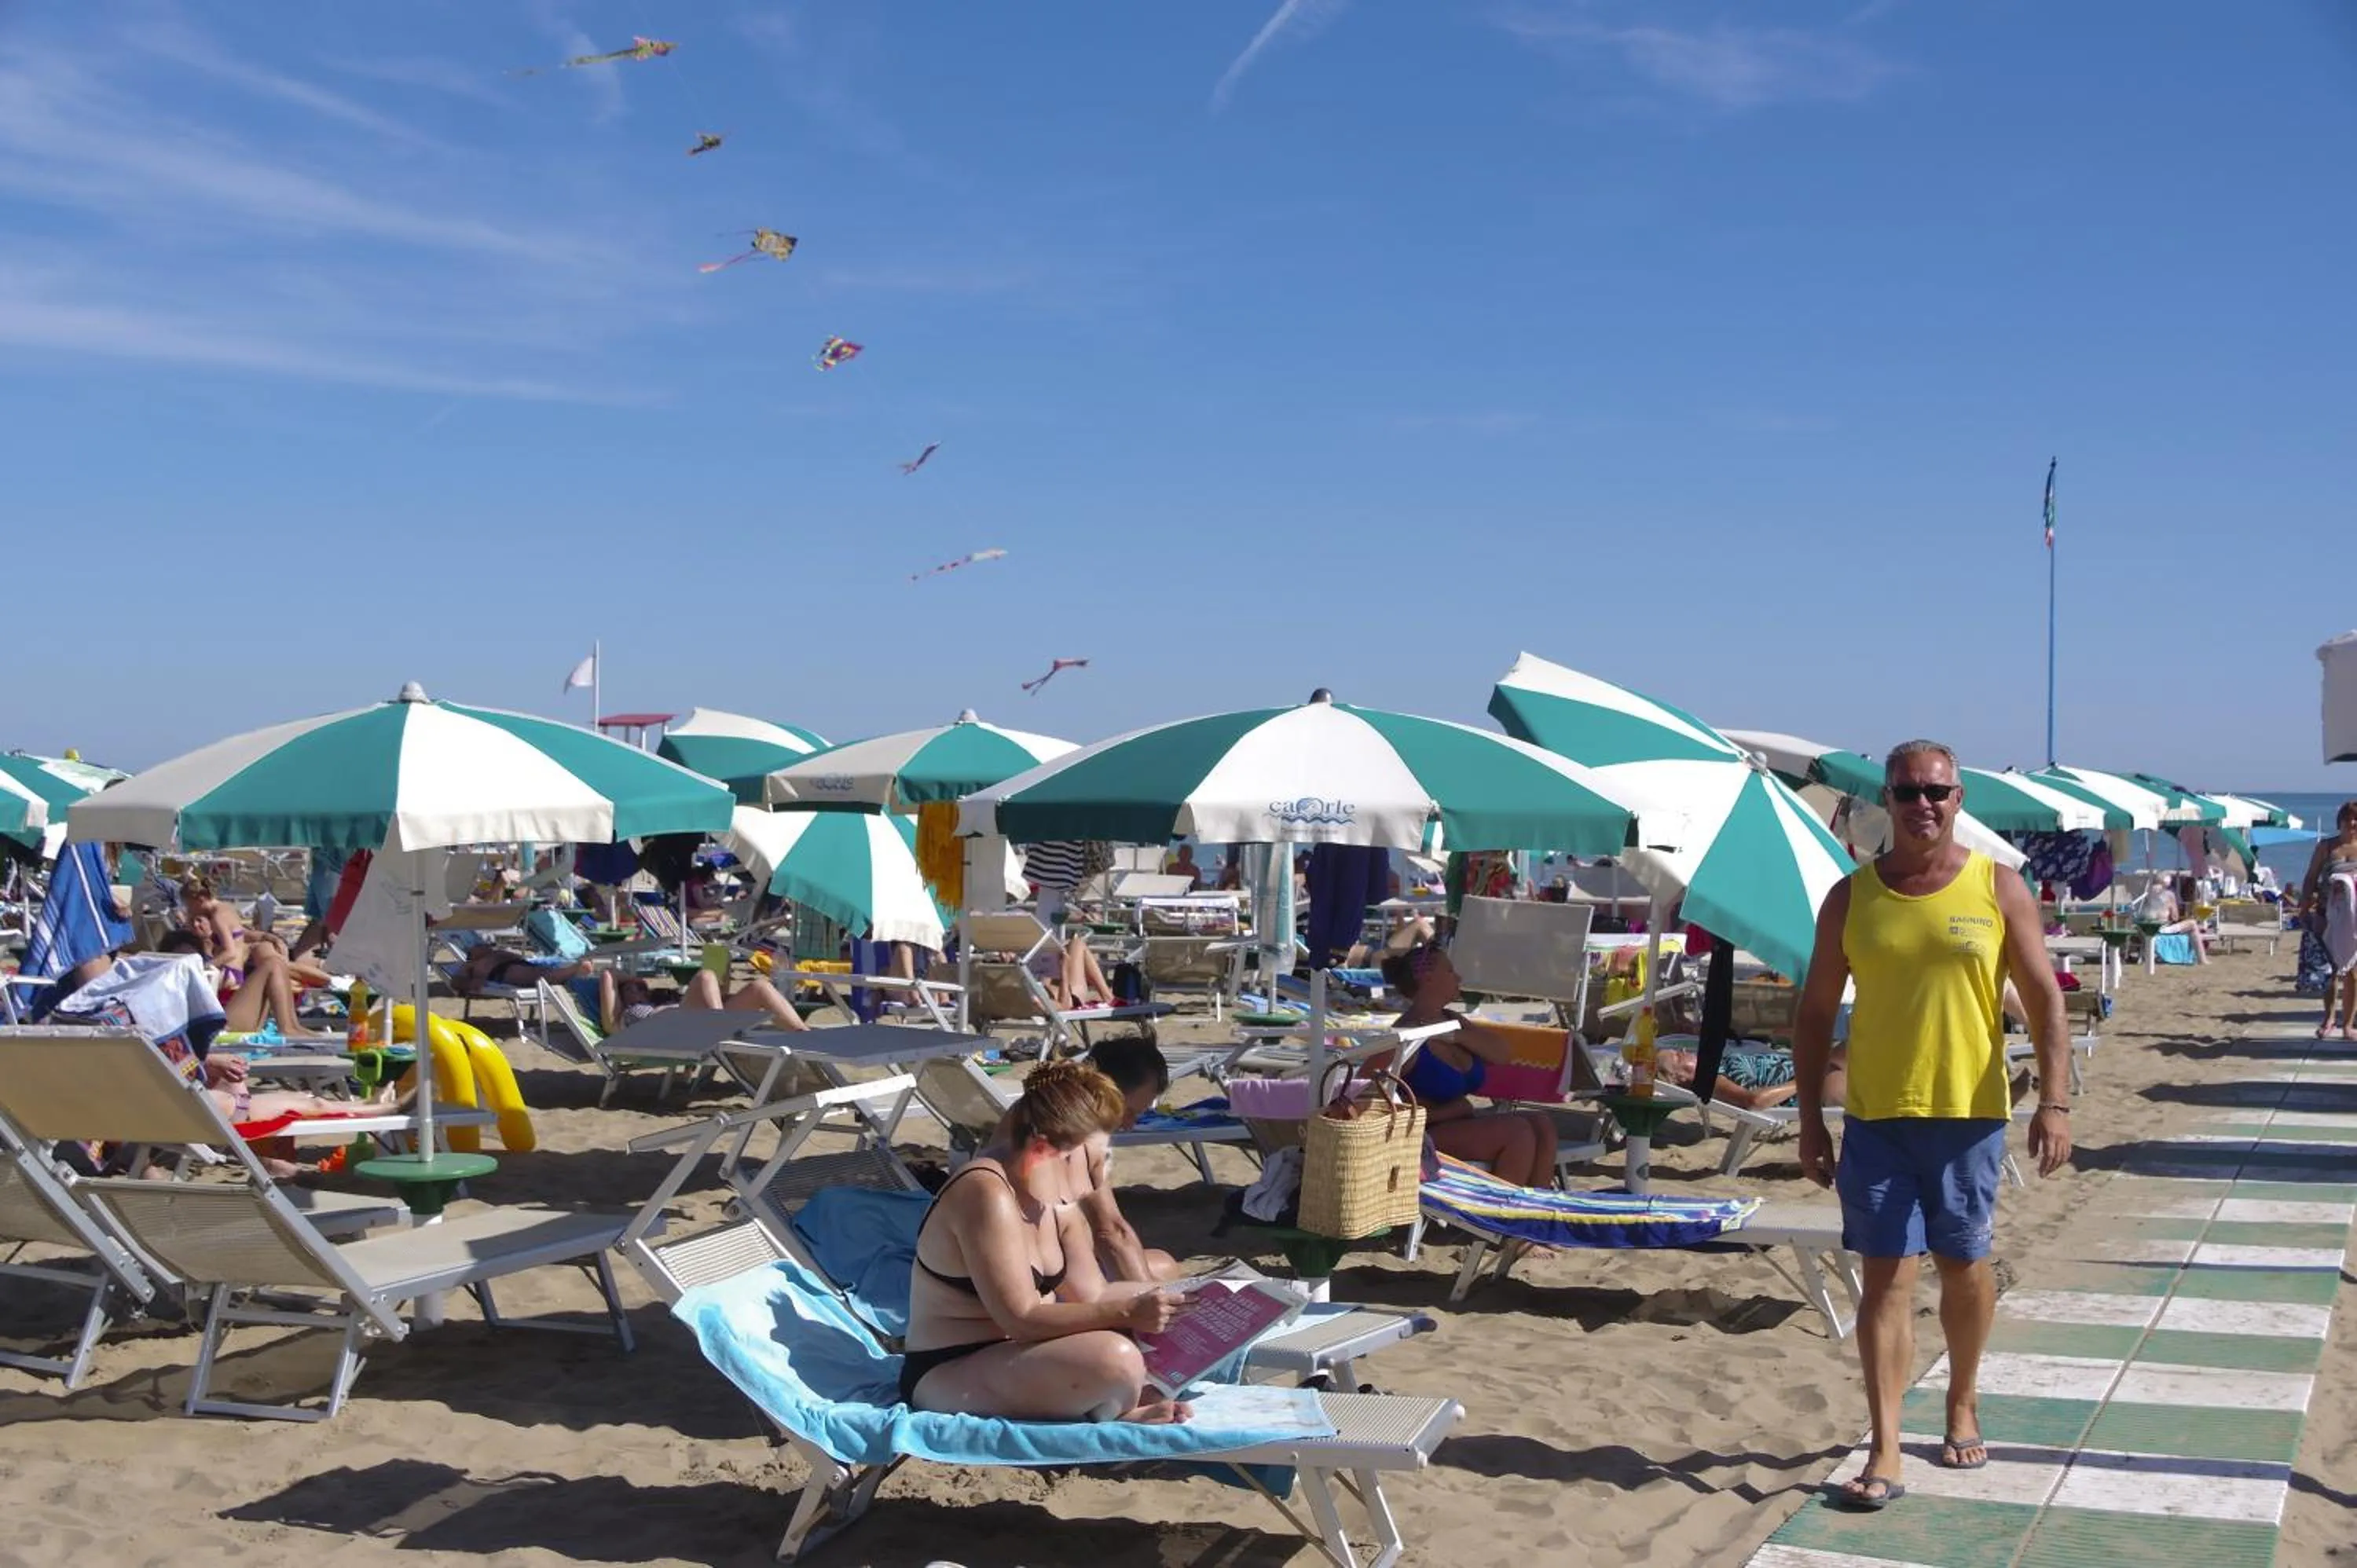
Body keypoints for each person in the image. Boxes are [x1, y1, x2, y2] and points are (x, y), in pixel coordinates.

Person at [1794, 739, 2070, 1511]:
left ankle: (1961, 1397)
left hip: (1971, 1117)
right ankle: (1885, 1446)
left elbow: (2045, 999)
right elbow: (1815, 1013)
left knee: (1964, 1269)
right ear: (1886, 799)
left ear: (1958, 800)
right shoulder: (1851, 898)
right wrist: (1811, 1120)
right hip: (1877, 1118)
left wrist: (2054, 1102)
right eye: (1908, 791)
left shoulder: (1998, 886)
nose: (1923, 804)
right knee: (1885, 1277)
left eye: (1937, 792)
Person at [900, 1060, 1189, 1422]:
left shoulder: (1055, 1197)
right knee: (1117, 1359)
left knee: (1169, 1327)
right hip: (949, 1367)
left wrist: (1189, 1302)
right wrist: (1130, 1313)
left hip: (1023, 1355)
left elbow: (1093, 1295)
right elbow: (1019, 1319)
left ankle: (1111, 1406)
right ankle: (1117, 1416)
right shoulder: (986, 1192)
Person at [1376, 942, 1561, 1188]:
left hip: (1457, 1124)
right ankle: (1500, 1217)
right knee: (1518, 1132)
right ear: (1428, 978)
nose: (1458, 977)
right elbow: (1368, 1096)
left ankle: (1537, 1210)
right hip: (1424, 1134)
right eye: (1450, 971)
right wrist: (1450, 1110)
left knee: (1542, 1124)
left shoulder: (1452, 1021)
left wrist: (1454, 1036)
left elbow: (1502, 1054)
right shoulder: (1405, 1036)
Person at [1070, 1038, 1185, 1283]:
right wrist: (1150, 1301)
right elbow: (1109, 1232)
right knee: (1158, 1272)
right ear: (1105, 1090)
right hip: (1037, 1277)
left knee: (1163, 1265)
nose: (1129, 1125)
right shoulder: (1079, 1137)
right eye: (1128, 1111)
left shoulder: (1055, 1108)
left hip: (1042, 1258)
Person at [156, 929, 308, 1037]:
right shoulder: (168, 982)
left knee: (275, 964)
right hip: (217, 1033)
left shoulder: (203, 971)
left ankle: (293, 1027)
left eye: (194, 959)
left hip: (220, 1024)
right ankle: (288, 1029)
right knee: (272, 964)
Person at [598, 967, 812, 1034]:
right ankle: (719, 1025)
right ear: (621, 998)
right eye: (629, 990)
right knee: (705, 976)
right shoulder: (618, 1021)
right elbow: (608, 974)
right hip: (678, 1030)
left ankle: (803, 1035)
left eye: (640, 989)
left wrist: (640, 985)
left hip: (694, 1022)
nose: (636, 990)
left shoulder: (652, 1004)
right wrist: (632, 979)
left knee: (760, 987)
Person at [2297, 801, 2357, 1040]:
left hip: (2356, 918)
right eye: (2348, 819)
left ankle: (2349, 1024)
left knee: (2354, 971)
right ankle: (2329, 1018)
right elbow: (2311, 877)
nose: (2353, 824)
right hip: (2326, 913)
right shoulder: (2327, 847)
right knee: (2329, 970)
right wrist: (2304, 907)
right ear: (2340, 821)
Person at [1655, 1040, 1848, 1111]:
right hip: (1818, 1086)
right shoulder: (1713, 1081)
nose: (1683, 1050)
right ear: (1680, 1078)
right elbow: (1754, 1101)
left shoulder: (1717, 1067)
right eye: (1678, 1056)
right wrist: (1808, 1078)